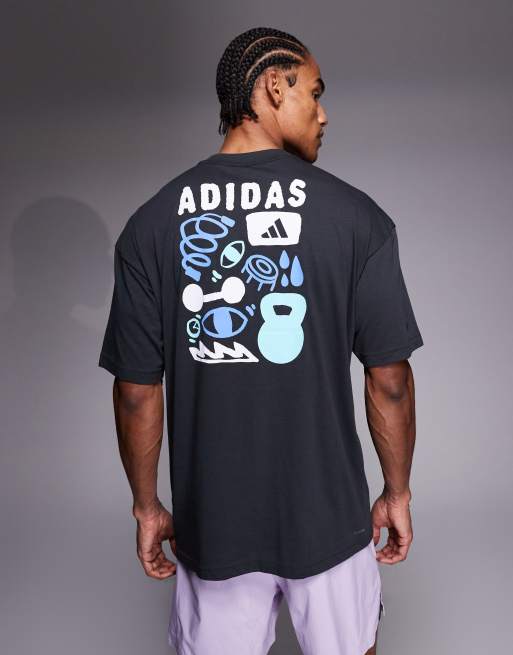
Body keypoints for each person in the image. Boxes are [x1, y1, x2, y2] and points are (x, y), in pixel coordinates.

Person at [98, 26, 423, 655]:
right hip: (330, 521)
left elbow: (136, 392)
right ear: (274, 86)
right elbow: (390, 381)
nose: (324, 115)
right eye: (315, 93)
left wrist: (147, 507)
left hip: (214, 526)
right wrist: (397, 492)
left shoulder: (151, 224)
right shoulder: (357, 217)